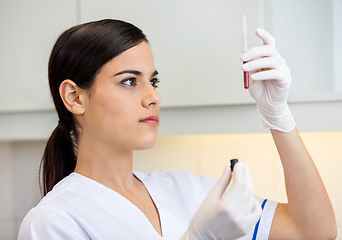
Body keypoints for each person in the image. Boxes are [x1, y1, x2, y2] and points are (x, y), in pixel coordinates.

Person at [18, 19, 337, 239]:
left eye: (153, 81)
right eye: (130, 81)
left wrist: (277, 115)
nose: (153, 96)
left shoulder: (187, 189)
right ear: (74, 97)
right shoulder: (54, 222)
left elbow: (314, 231)